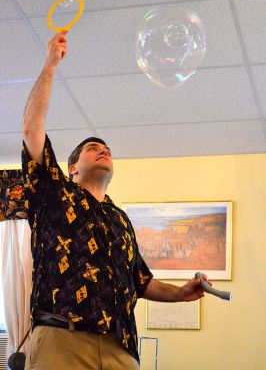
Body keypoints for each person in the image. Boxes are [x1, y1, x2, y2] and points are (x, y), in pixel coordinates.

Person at [22, 31, 211, 370]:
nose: (103, 149)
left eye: (106, 148)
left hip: (121, 346)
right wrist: (50, 66)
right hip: (62, 340)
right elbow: (32, 130)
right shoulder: (54, 193)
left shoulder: (120, 219)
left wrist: (182, 293)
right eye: (92, 148)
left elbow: (141, 281)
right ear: (73, 168)